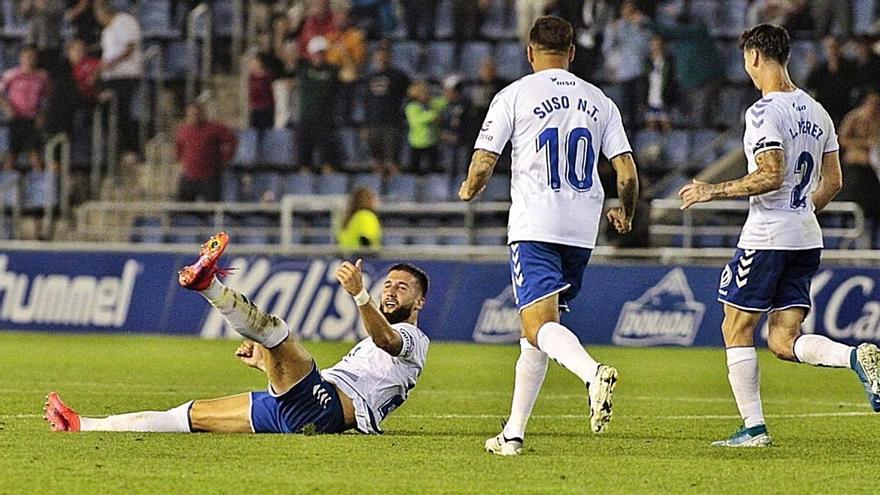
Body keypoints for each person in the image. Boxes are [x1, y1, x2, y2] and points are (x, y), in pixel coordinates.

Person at [678, 24, 880, 448]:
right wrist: (802, 210)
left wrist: (712, 190)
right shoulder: (818, 111)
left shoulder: (763, 112)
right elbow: (834, 182)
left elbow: (770, 174)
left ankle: (753, 429)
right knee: (783, 340)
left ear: (753, 57)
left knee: (736, 327)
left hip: (768, 237)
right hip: (805, 237)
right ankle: (855, 356)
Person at [459, 16, 639, 456]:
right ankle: (513, 434)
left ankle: (592, 372)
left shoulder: (514, 94)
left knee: (539, 325)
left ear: (529, 52)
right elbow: (628, 174)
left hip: (535, 225)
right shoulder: (600, 102)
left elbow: (484, 161)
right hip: (581, 229)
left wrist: (469, 188)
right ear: (572, 53)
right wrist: (627, 214)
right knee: (534, 333)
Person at [44, 232, 430, 436]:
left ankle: (209, 285)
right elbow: (365, 349)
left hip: (323, 410)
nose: (392, 290)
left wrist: (360, 294)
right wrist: (267, 367)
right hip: (298, 408)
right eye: (389, 284)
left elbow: (386, 341)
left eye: (403, 287)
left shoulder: (414, 341)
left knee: (276, 332)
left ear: (420, 302)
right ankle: (82, 425)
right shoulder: (372, 337)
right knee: (186, 417)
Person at [93, 0, 143, 155]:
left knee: (123, 113)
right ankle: (117, 149)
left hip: (126, 75)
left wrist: (111, 64)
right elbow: (106, 55)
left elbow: (130, 48)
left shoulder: (125, 21)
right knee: (106, 112)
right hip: (110, 78)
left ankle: (131, 149)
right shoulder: (106, 32)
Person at [361, 43, 410, 177]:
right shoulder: (369, 77)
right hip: (373, 123)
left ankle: (396, 187)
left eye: (385, 53)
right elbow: (366, 102)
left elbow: (410, 94)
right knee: (376, 161)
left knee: (392, 160)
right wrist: (365, 124)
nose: (382, 56)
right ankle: (378, 187)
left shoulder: (399, 76)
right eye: (379, 53)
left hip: (392, 123)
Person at [838, 92, 880, 247]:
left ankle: (869, 246)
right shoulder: (854, 118)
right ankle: (846, 245)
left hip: (873, 172)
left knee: (872, 212)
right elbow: (842, 139)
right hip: (855, 172)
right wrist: (863, 145)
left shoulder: (878, 120)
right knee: (855, 210)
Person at [0, 46, 52, 171]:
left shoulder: (43, 76)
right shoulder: (11, 74)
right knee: (12, 155)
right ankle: (6, 187)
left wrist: (43, 114)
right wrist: (7, 106)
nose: (30, 59)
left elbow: (50, 97)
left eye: (33, 57)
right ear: (21, 58)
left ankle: (40, 185)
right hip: (16, 118)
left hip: (34, 119)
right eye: (27, 56)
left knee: (35, 156)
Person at [175, 102, 238, 202]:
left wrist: (226, 158)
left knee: (211, 210)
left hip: (209, 177)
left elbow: (232, 140)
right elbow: (179, 147)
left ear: (202, 114)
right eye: (190, 114)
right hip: (189, 177)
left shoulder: (215, 128)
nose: (193, 117)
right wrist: (181, 161)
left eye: (196, 114)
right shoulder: (183, 130)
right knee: (182, 210)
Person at [297, 36, 340, 173]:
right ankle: (303, 190)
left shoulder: (332, 69)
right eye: (317, 52)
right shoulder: (303, 68)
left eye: (322, 52)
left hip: (325, 120)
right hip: (306, 119)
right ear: (311, 53)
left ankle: (330, 190)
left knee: (327, 161)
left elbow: (350, 75)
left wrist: (344, 53)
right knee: (304, 161)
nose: (319, 55)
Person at [806, 36, 856, 126]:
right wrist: (813, 69)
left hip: (842, 106)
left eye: (834, 47)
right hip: (825, 107)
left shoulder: (849, 66)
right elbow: (810, 84)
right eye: (829, 48)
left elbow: (850, 84)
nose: (832, 51)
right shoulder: (821, 68)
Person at [405, 80, 446, 175]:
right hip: (417, 142)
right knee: (414, 169)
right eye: (424, 93)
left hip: (431, 141)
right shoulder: (412, 107)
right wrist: (433, 115)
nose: (427, 95)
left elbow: (443, 102)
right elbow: (416, 120)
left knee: (433, 168)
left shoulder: (431, 104)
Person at [336, 186, 382, 250]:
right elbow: (365, 240)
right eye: (374, 198)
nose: (377, 201)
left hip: (348, 256)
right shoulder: (366, 215)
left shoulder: (350, 218)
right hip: (361, 257)